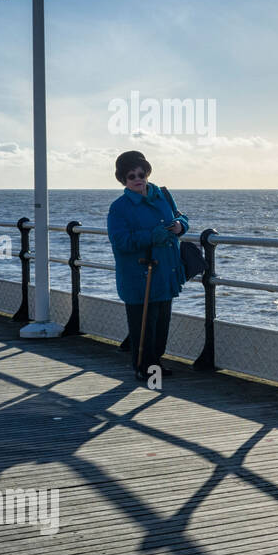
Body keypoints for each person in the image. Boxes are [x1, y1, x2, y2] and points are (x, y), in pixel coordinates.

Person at [107, 150, 189, 382]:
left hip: (166, 270)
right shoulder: (119, 207)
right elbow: (120, 241)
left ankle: (156, 364)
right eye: (131, 176)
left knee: (162, 323)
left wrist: (180, 226)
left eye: (141, 174)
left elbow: (181, 217)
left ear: (147, 173)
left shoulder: (163, 195)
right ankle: (143, 367)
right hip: (139, 274)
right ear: (123, 179)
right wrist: (153, 235)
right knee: (143, 325)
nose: (137, 179)